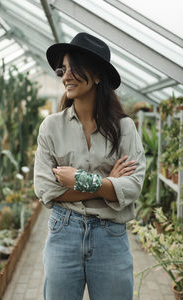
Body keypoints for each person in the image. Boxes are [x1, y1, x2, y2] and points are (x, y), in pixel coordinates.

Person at [34, 32, 146, 300]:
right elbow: (46, 190)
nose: (66, 76)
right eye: (63, 69)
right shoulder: (51, 127)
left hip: (110, 236)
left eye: (75, 68)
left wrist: (79, 180)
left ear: (97, 75)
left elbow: (132, 187)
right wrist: (105, 184)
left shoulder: (124, 128)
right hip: (63, 233)